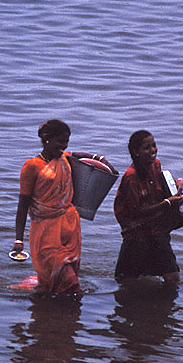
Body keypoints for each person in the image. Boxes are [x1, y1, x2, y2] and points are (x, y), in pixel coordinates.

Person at [13, 120, 112, 296]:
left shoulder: (65, 159)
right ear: (47, 139)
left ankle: (50, 305)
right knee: (70, 284)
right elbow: (23, 205)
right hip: (45, 231)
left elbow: (94, 164)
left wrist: (99, 158)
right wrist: (19, 240)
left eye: (66, 141)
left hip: (70, 226)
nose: (64, 146)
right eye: (60, 141)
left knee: (65, 278)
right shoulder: (32, 166)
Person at [112, 130, 183, 288]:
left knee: (173, 278)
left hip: (158, 230)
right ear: (136, 152)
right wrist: (167, 203)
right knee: (126, 281)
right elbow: (136, 211)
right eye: (147, 148)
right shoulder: (131, 177)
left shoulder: (155, 165)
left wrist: (176, 185)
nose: (152, 150)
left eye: (154, 145)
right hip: (137, 235)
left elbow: (162, 186)